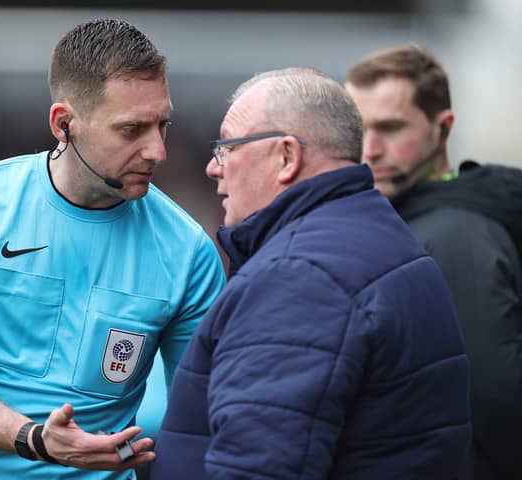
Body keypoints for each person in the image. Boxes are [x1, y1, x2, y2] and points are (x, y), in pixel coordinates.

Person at [0, 18, 226, 480]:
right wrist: (36, 440)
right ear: (64, 124)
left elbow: (199, 424)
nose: (157, 151)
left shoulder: (188, 251)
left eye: (162, 125)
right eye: (132, 130)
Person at [151, 67, 471, 480]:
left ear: (286, 156)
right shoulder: (379, 237)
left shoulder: (297, 277)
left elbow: (258, 467)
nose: (214, 168)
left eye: (226, 147)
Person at [344, 44, 522, 480]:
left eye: (389, 128)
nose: (370, 148)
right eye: (357, 128)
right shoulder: (416, 220)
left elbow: (492, 395)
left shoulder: (454, 235)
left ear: (443, 129)